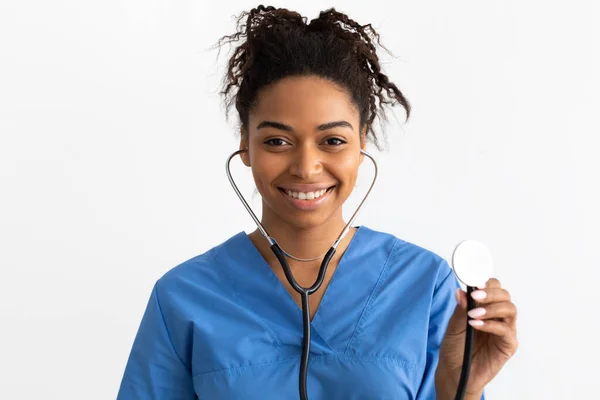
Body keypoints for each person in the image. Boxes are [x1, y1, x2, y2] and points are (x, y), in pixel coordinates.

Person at [116, 5, 518, 399]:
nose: (307, 167)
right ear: (245, 144)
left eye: (333, 141)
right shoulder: (183, 298)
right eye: (277, 141)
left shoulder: (426, 286)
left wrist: (461, 389)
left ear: (362, 143)